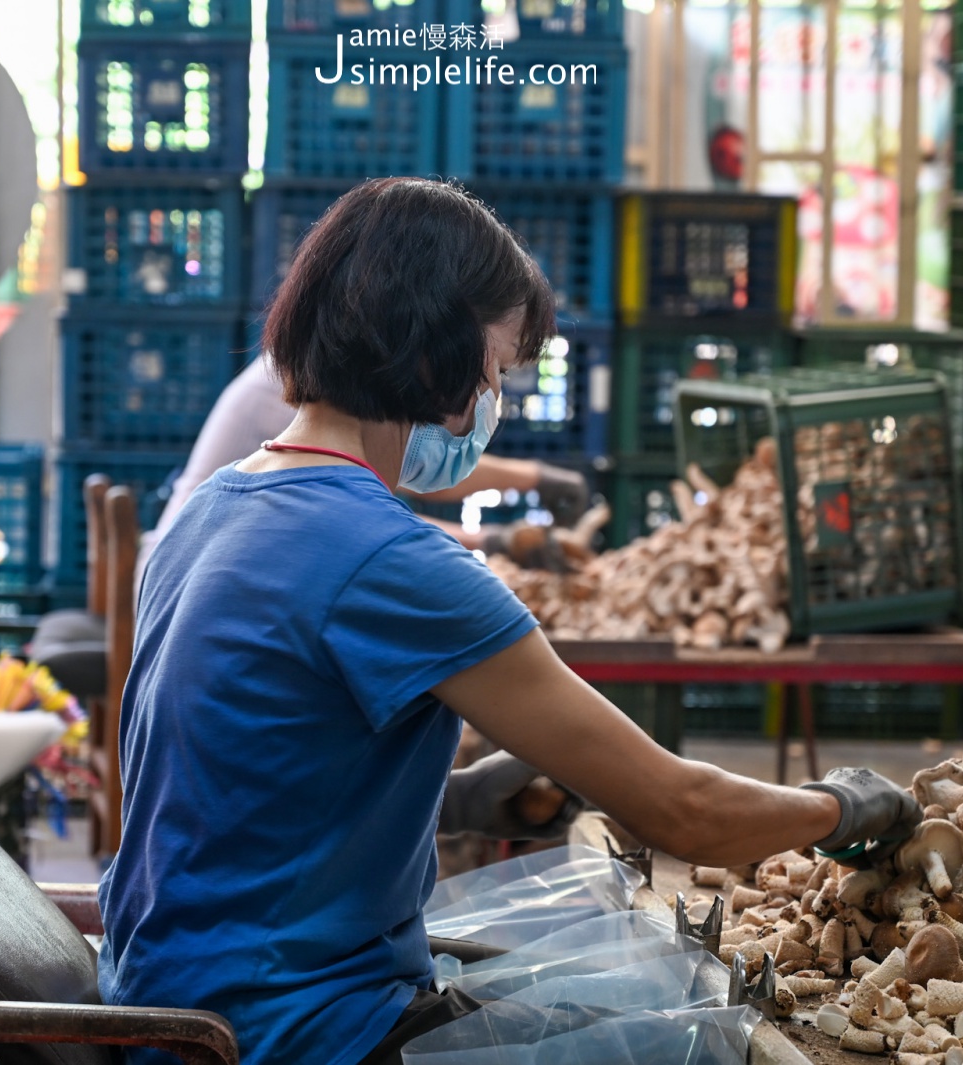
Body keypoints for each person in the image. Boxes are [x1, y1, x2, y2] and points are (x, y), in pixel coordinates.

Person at [98, 178, 920, 1065]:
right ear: (430, 354)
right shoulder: (391, 560)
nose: (491, 400)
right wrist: (842, 807)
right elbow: (685, 814)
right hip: (286, 1034)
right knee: (710, 1042)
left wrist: (451, 797)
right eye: (492, 369)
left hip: (162, 1002)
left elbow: (235, 789)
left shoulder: (211, 509)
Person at [137, 354, 593, 581]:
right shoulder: (304, 390)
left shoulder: (318, 372)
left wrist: (534, 479)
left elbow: (412, 470)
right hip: (193, 581)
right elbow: (360, 518)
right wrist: (490, 539)